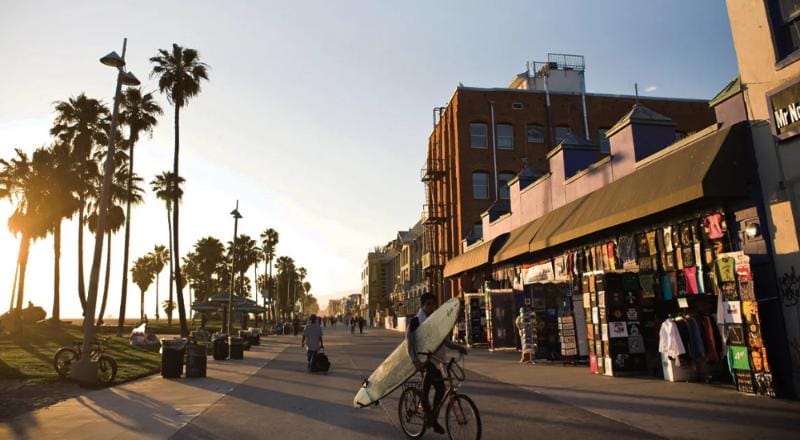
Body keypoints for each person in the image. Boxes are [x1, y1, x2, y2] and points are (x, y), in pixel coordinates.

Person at [406, 292, 467, 434]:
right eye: (428, 304)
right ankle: (431, 419)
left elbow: (443, 341)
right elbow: (409, 343)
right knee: (426, 391)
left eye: (433, 304)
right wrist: (415, 361)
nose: (431, 307)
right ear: (422, 305)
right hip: (421, 361)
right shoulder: (416, 321)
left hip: (434, 361)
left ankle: (432, 418)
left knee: (440, 389)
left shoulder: (434, 322)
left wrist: (458, 347)